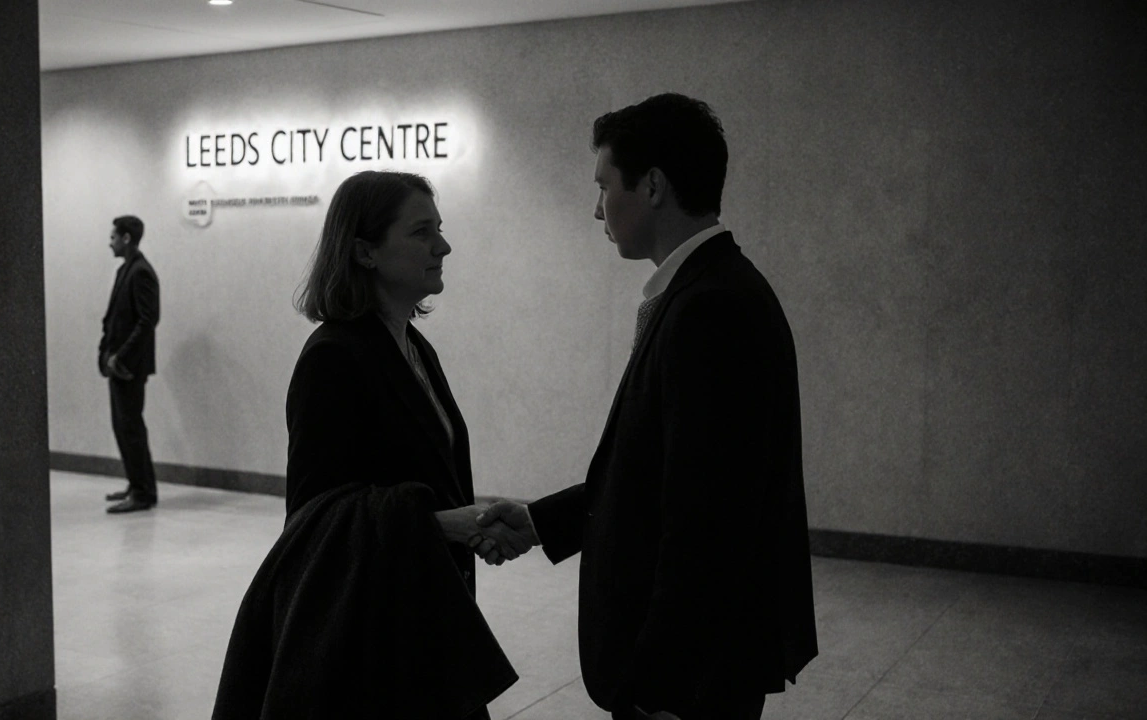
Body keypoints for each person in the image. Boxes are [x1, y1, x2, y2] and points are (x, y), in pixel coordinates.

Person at [475, 93, 819, 719]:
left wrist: (660, 691)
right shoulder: (707, 291)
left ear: (653, 185)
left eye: (604, 186)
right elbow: (656, 477)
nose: (595, 209)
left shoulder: (710, 309)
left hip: (690, 679)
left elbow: (704, 526)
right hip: (701, 666)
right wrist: (542, 522)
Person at [213, 171, 530, 720]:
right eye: (421, 231)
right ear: (364, 251)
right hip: (374, 636)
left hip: (419, 608)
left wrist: (457, 526)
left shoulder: (412, 344)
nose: (443, 245)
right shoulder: (333, 358)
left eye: (440, 228)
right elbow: (316, 523)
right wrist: (441, 523)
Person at [99, 215, 160, 514]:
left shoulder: (140, 272)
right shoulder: (127, 269)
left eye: (112, 237)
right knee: (124, 428)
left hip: (129, 367)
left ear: (125, 238)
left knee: (130, 428)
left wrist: (120, 356)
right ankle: (137, 484)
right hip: (119, 366)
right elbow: (114, 318)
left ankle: (142, 492)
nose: (109, 242)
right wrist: (106, 352)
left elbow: (148, 320)